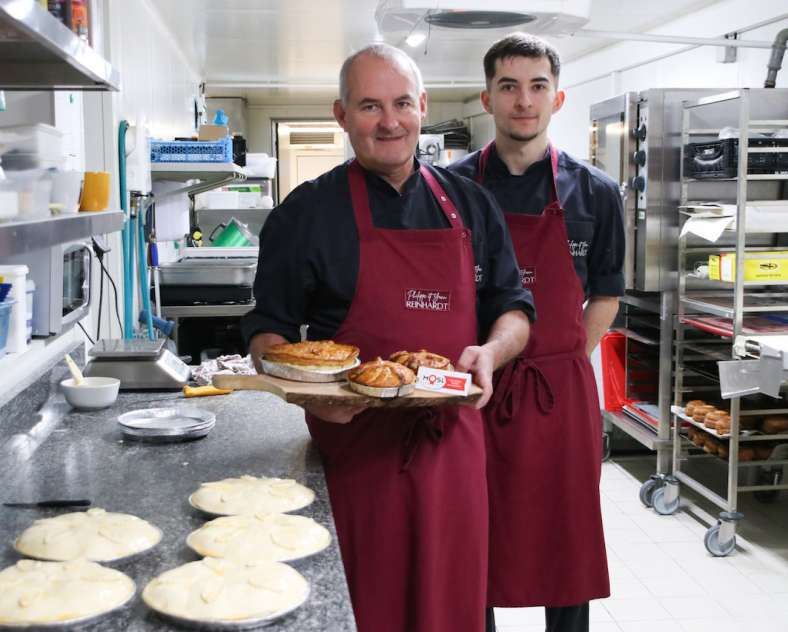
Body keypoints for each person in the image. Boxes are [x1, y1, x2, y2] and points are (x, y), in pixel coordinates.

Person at [240, 43, 534, 632]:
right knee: (361, 606)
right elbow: (267, 330)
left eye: (401, 103)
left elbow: (515, 309)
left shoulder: (472, 206)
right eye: (370, 106)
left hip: (452, 448)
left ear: (422, 106)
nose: (390, 121)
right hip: (354, 456)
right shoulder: (305, 215)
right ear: (341, 115)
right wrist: (305, 391)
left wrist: (492, 352)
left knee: (451, 607)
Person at [450, 33, 624, 632]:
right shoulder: (451, 189)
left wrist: (561, 354)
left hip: (558, 391)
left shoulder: (596, 193)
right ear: (487, 99)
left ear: (559, 97)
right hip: (473, 384)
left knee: (564, 536)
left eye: (537, 86)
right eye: (508, 86)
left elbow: (605, 292)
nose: (524, 100)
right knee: (474, 532)